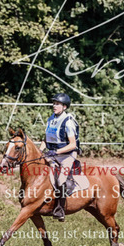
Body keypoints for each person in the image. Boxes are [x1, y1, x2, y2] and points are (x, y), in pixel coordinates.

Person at [40, 93, 80, 222]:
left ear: (64, 107)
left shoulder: (68, 122)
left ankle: (60, 209)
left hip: (67, 155)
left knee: (61, 179)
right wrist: (40, 151)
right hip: (52, 154)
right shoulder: (50, 119)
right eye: (54, 103)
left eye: (57, 104)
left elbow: (72, 145)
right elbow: (45, 139)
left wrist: (56, 152)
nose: (54, 106)